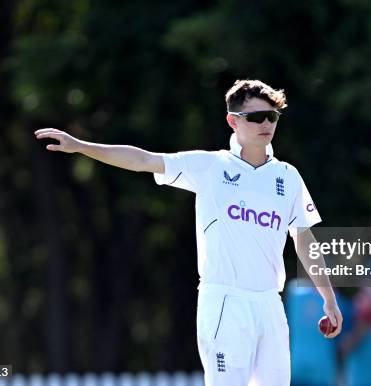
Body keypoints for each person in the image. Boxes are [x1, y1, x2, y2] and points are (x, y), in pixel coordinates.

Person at [34, 79, 343, 386]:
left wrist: (328, 298)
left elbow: (304, 239)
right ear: (233, 121)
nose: (266, 124)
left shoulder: (287, 177)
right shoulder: (210, 166)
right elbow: (143, 160)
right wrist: (81, 146)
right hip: (225, 301)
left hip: (270, 306)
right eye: (256, 117)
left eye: (272, 116)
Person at [285, 279, 352, 386]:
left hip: (321, 375)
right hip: (296, 373)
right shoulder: (294, 293)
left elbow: (344, 345)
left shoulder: (294, 292)